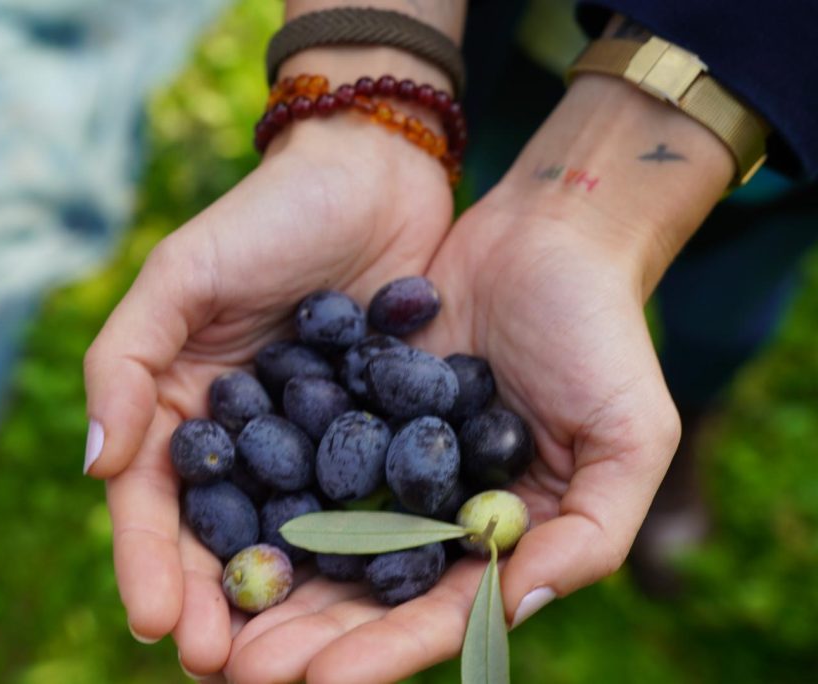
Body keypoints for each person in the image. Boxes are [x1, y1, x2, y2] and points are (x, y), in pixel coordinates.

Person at [82, 1, 817, 681]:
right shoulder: (354, 408)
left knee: (726, 308)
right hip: (508, 44)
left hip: (784, 106)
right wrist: (361, 121)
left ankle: (695, 411)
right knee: (505, 152)